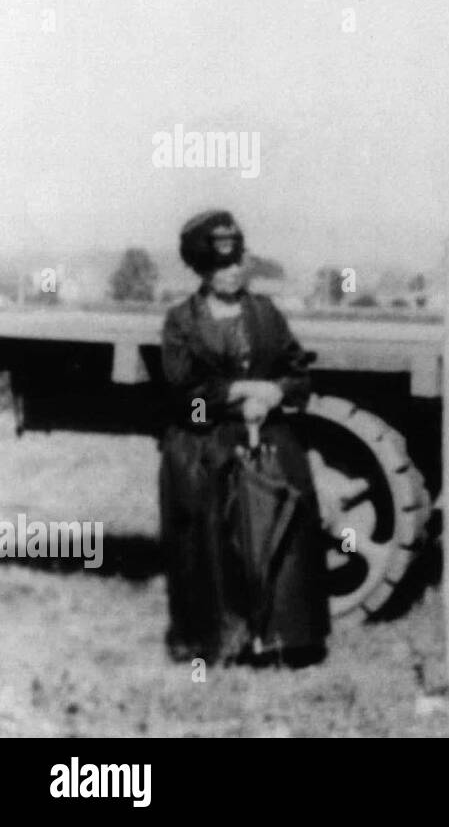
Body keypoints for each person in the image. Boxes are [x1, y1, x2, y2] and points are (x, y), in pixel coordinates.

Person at [158, 210, 329, 666]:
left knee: (282, 532)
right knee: (213, 542)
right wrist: (236, 393)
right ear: (201, 269)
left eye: (237, 264)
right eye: (220, 267)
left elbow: (298, 375)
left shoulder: (267, 315)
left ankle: (285, 639)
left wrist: (275, 392)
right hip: (206, 444)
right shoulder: (181, 322)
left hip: (268, 439)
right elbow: (182, 393)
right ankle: (220, 642)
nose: (231, 273)